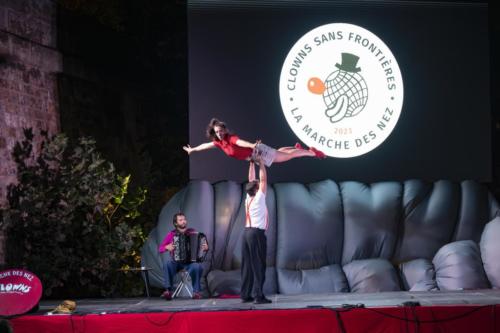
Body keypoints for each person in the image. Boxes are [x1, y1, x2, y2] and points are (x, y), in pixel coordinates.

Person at [183, 118, 326, 167]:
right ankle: (297, 148)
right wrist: (193, 149)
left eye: (221, 131)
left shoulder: (230, 138)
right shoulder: (219, 143)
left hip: (258, 151)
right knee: (281, 153)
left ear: (224, 130)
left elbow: (241, 142)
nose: (219, 133)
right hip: (255, 157)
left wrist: (252, 145)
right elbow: (205, 145)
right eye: (216, 132)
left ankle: (312, 153)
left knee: (288, 156)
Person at [241, 158, 272, 304]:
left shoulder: (248, 198)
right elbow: (263, 179)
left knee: (247, 265)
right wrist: (261, 163)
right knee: (258, 264)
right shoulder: (259, 198)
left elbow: (251, 179)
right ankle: (258, 296)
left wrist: (251, 163)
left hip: (246, 234)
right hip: (256, 235)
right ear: (256, 189)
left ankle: (245, 295)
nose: (260, 185)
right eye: (258, 186)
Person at [158, 213, 209, 300]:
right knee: (167, 264)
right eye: (180, 220)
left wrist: (205, 247)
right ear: (176, 223)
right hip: (176, 262)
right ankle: (168, 291)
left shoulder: (193, 232)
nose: (183, 221)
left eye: (184, 219)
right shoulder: (171, 234)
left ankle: (196, 292)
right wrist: (167, 247)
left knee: (197, 266)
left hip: (190, 263)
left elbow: (203, 245)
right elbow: (160, 248)